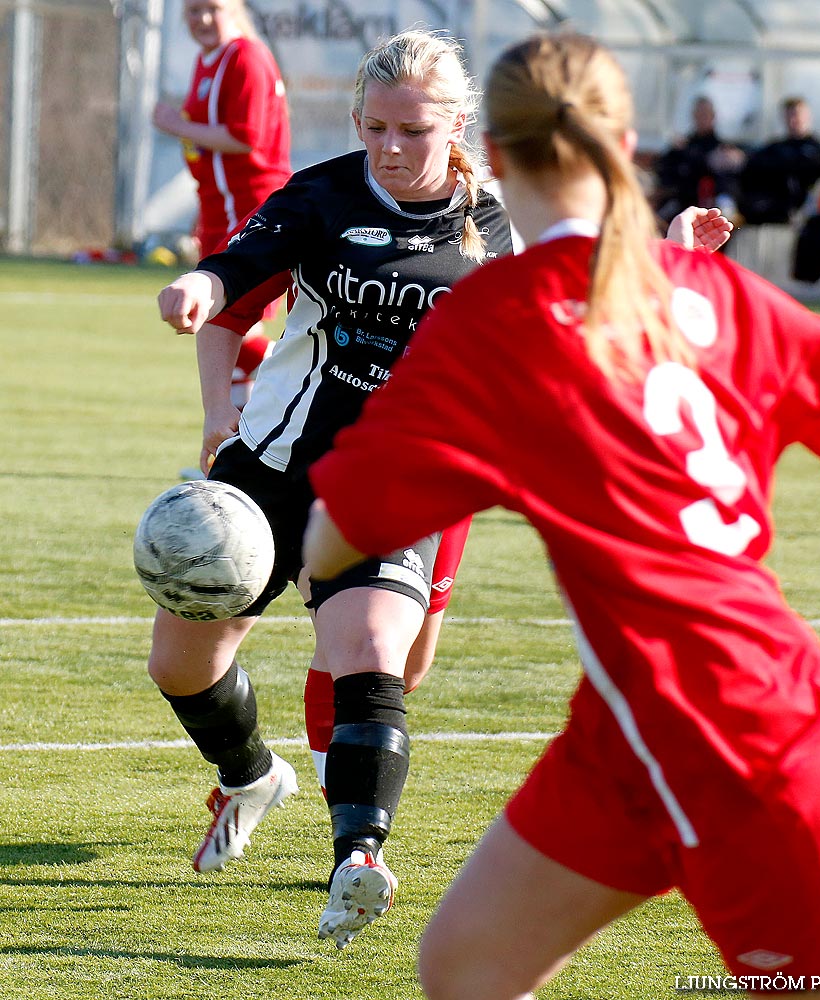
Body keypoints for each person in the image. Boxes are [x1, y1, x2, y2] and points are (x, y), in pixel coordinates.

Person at [302, 31, 820, 999]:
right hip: (627, 730)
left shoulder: (494, 317)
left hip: (740, 742)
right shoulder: (707, 289)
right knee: (465, 964)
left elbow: (336, 534)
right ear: (628, 141)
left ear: (498, 159)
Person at [153, 26, 733, 953]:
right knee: (179, 666)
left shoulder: (501, 221)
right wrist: (196, 291)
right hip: (273, 464)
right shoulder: (324, 195)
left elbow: (603, 302)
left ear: (455, 124)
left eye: (412, 130)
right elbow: (235, 271)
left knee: (378, 651)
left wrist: (674, 251)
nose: (390, 145)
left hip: (403, 480)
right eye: (375, 125)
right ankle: (252, 773)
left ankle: (359, 858)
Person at [152, 0, 291, 417]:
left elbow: (246, 138)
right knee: (226, 330)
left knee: (226, 324)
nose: (203, 19)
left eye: (212, 8)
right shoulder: (207, 60)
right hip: (219, 208)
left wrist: (176, 125)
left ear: (234, 8)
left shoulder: (246, 56)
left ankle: (296, 383)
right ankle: (235, 448)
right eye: (193, 11)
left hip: (250, 206)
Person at [652, 95, 746, 225]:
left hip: (710, 205)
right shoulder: (682, 146)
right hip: (682, 202)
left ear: (713, 116)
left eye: (706, 114)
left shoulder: (722, 148)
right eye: (699, 114)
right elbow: (663, 169)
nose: (702, 118)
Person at [738, 95, 820, 225]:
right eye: (788, 116)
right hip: (765, 199)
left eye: (796, 115)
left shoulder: (812, 146)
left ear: (807, 116)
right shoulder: (777, 145)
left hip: (791, 206)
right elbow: (754, 160)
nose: (792, 120)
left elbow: (796, 166)